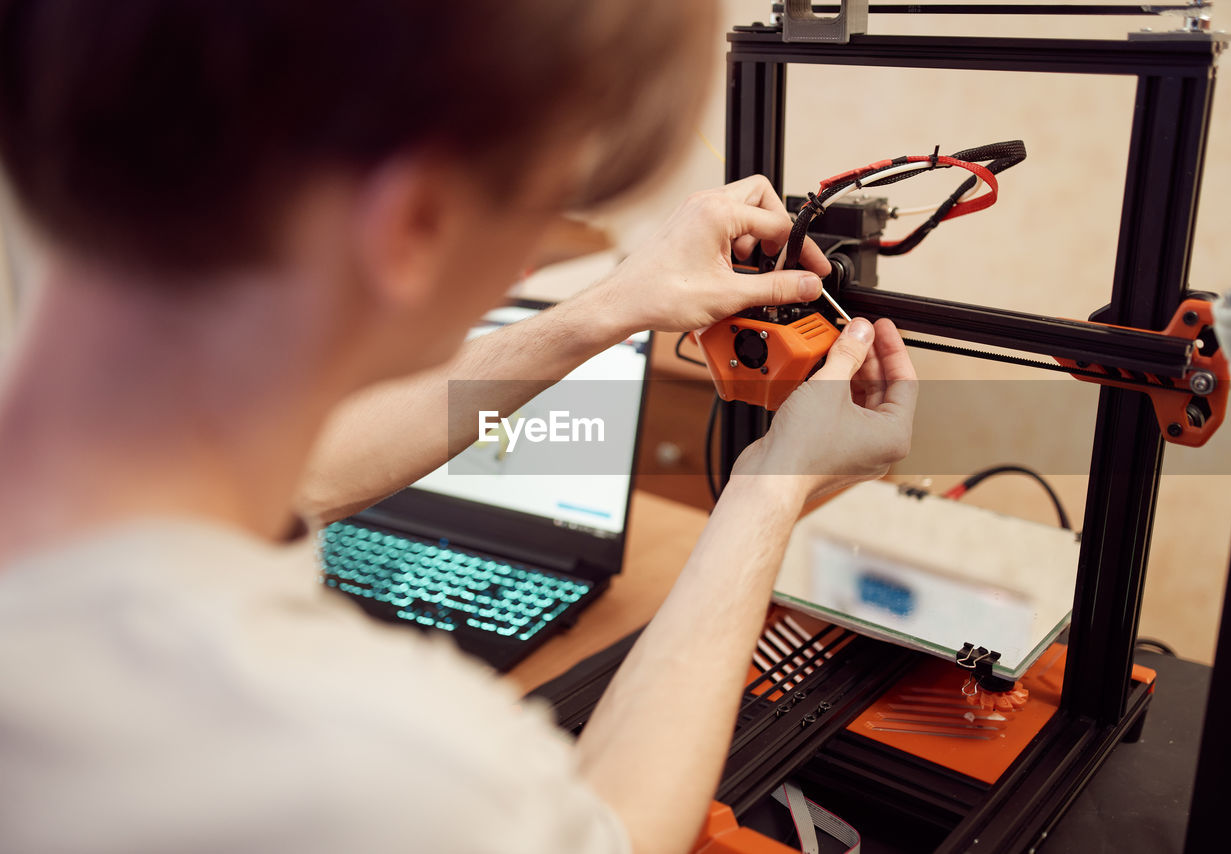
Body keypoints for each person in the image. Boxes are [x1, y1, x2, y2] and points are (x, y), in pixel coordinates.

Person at [0, 1, 917, 852]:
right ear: (417, 223)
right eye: (552, 202)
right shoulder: (371, 758)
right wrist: (775, 485)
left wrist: (605, 306)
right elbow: (614, 829)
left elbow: (308, 473)